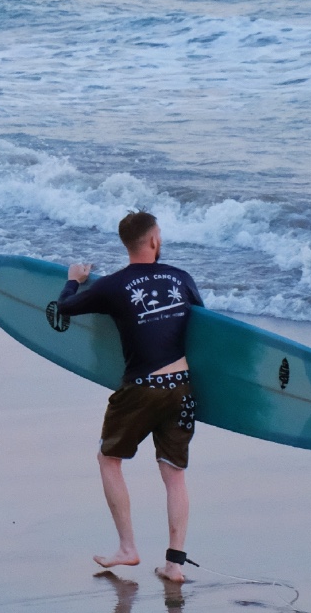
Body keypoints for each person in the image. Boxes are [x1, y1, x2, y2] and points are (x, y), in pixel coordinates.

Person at [57, 210, 204, 582]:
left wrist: (74, 281)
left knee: (109, 459)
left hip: (143, 388)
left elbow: (65, 309)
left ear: (128, 244)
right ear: (154, 240)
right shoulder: (180, 278)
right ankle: (174, 565)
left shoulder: (113, 286)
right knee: (174, 475)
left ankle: (127, 548)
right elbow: (206, 330)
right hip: (182, 387)